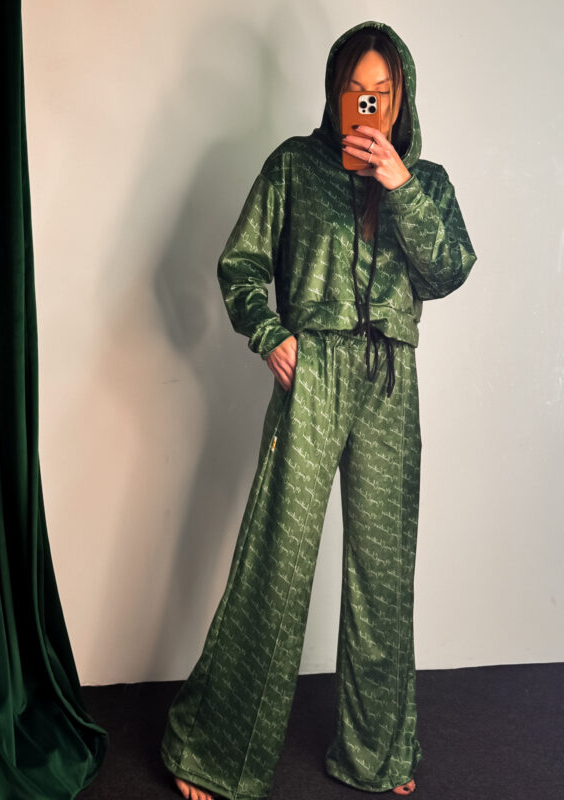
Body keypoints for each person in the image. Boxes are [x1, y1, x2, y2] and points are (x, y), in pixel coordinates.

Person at [161, 20, 476, 800]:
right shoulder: (294, 167)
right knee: (278, 559)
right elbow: (240, 263)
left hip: (389, 380)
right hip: (314, 373)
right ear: (335, 93)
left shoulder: (426, 181)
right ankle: (214, 752)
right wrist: (270, 334)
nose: (368, 104)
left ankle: (378, 753)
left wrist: (399, 184)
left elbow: (448, 270)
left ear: (401, 98)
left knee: (381, 572)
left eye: (382, 92)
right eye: (354, 90)